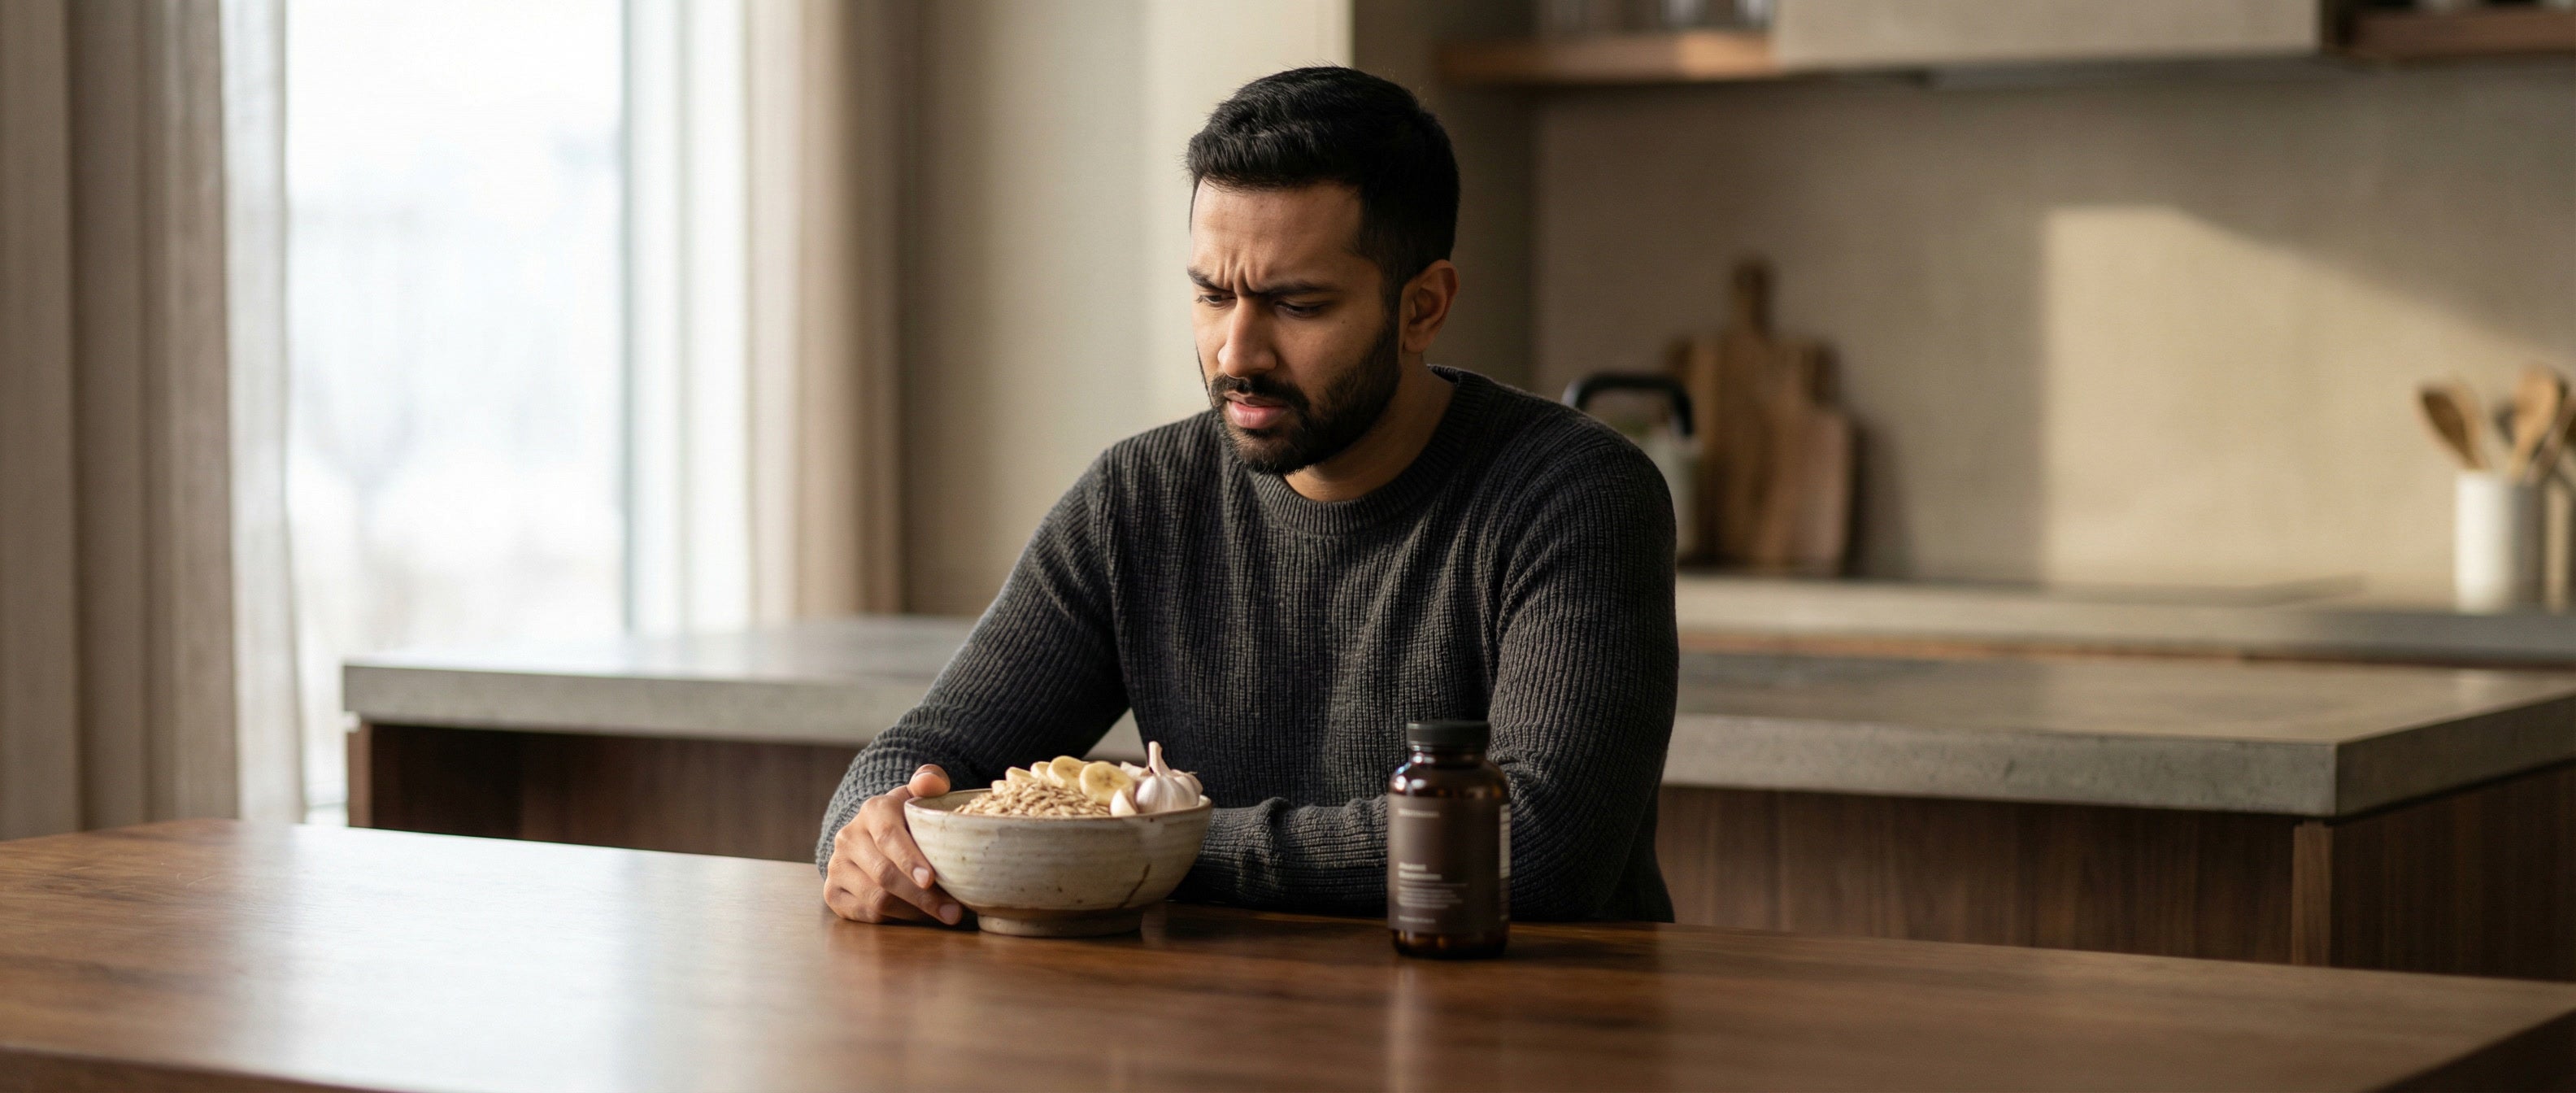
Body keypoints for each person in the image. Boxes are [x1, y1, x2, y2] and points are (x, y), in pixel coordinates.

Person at [817, 65, 1677, 925]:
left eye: (1295, 304)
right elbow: (918, 758)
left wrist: (1159, 843)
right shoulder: (1138, 500)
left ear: (1422, 308)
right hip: (1219, 1032)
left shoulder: (1575, 493)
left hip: (1527, 1036)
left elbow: (1536, 844)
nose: (1236, 352)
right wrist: (876, 834)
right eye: (1211, 294)